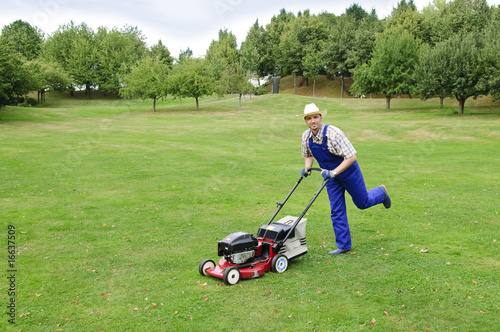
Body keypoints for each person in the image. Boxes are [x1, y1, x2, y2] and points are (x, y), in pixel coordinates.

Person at [300, 103, 391, 255]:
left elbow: (352, 157)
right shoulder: (306, 136)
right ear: (305, 121)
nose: (312, 121)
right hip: (330, 177)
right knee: (336, 210)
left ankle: (381, 193)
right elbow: (308, 154)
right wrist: (307, 167)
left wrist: (334, 172)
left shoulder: (334, 133)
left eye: (315, 117)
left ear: (321, 117)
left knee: (362, 203)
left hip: (348, 172)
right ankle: (344, 245)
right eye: (309, 118)